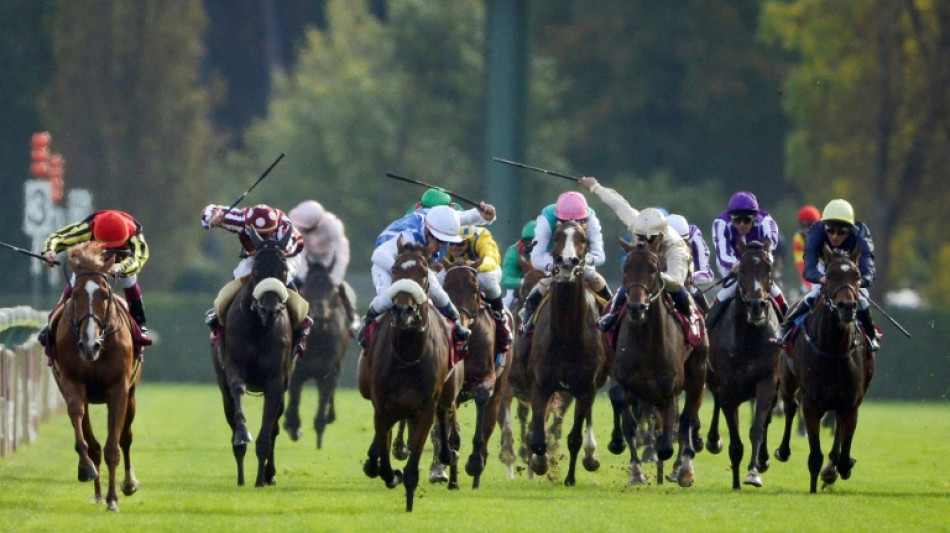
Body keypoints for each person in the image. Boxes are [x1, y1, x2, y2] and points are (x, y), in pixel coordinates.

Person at [360, 203, 497, 347]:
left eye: (444, 242)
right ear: (426, 230)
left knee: (437, 293)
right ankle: (367, 322)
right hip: (387, 265)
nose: (439, 246)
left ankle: (456, 324)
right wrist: (401, 270)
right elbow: (378, 255)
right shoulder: (408, 235)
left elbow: (466, 216)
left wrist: (486, 216)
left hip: (417, 265)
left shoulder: (442, 220)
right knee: (387, 299)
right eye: (436, 239)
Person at [577, 178, 693, 332]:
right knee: (626, 288)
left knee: (681, 293)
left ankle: (694, 326)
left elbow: (677, 281)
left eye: (649, 239)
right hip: (646, 268)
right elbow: (617, 203)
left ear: (661, 237)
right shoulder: (636, 221)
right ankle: (612, 316)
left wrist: (657, 275)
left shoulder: (676, 247)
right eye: (640, 236)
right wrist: (595, 187)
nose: (644, 242)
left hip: (672, 272)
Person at [201, 203, 311, 357]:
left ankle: (301, 325)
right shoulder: (239, 219)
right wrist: (211, 219)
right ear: (248, 226)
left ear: (273, 228)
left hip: (286, 255)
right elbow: (210, 209)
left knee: (280, 279)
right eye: (258, 234)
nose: (261, 237)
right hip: (255, 256)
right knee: (239, 277)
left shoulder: (284, 227)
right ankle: (220, 317)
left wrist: (262, 251)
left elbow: (287, 249)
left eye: (266, 234)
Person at [774, 199, 879, 350]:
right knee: (814, 293)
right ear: (824, 226)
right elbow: (809, 268)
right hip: (826, 267)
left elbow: (868, 269)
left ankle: (870, 334)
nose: (835, 236)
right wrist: (822, 278)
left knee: (862, 297)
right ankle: (786, 328)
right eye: (830, 230)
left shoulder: (861, 233)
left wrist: (858, 283)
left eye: (841, 231)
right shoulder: (816, 230)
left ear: (850, 229)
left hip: (850, 269)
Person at [37, 209, 150, 346]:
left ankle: (140, 324)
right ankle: (52, 323)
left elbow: (139, 258)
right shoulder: (88, 228)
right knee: (76, 283)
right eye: (106, 247)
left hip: (122, 262)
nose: (108, 252)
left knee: (129, 281)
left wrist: (120, 267)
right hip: (93, 260)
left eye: (114, 247)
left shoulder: (135, 234)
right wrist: (49, 251)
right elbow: (58, 237)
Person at [517, 188, 611, 331]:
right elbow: (536, 257)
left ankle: (611, 311)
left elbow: (600, 255)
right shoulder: (547, 218)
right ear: (558, 218)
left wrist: (584, 261)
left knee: (593, 276)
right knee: (547, 279)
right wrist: (550, 267)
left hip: (580, 258)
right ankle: (528, 313)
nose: (572, 223)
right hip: (554, 255)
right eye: (566, 221)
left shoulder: (591, 218)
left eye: (578, 221)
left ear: (584, 218)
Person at [705, 191, 788, 329]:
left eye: (747, 220)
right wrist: (735, 264)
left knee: (773, 289)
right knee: (731, 287)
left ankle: (788, 326)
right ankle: (707, 327)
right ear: (730, 217)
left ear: (755, 217)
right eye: (737, 220)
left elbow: (771, 245)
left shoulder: (767, 222)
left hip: (758, 261)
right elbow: (723, 253)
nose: (742, 224)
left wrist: (765, 260)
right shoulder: (720, 224)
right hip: (732, 262)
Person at [288, 200, 360, 335]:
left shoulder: (334, 225)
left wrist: (334, 279)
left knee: (343, 287)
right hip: (306, 254)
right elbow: (297, 251)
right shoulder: (296, 225)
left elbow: (341, 255)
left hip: (328, 256)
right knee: (292, 284)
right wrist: (302, 276)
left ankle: (351, 317)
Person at [439, 224, 511, 351]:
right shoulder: (443, 239)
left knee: (486, 278)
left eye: (460, 244)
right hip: (455, 269)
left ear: (469, 241)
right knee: (436, 280)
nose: (454, 247)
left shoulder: (481, 237)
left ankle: (501, 318)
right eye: (452, 243)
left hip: (482, 270)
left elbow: (491, 259)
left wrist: (473, 266)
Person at [667, 213, 714, 312]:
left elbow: (708, 274)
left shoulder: (694, 236)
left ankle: (709, 323)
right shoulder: (654, 237)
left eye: (682, 242)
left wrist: (689, 278)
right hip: (661, 284)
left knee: (708, 316)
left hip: (688, 286)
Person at [500, 220, 537, 308]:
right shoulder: (514, 251)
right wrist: (524, 282)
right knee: (508, 301)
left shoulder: (550, 252)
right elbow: (504, 279)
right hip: (520, 288)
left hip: (543, 284)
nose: (531, 244)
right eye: (528, 241)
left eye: (535, 240)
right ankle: (504, 320)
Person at [793, 205, 821, 293]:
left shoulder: (827, 235)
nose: (806, 230)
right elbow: (802, 266)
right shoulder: (798, 239)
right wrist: (810, 286)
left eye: (809, 226)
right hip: (811, 274)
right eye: (803, 226)